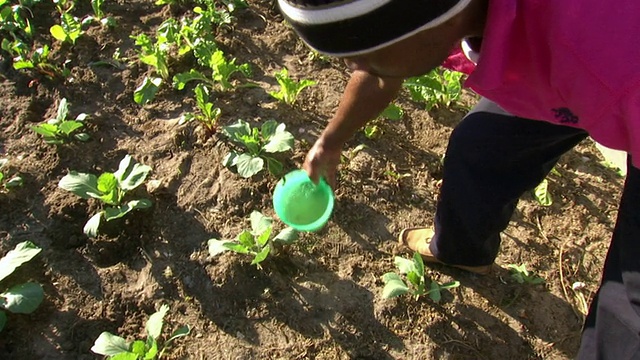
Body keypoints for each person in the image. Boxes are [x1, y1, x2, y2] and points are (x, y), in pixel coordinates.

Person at [276, 0, 640, 358]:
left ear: (436, 19)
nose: (352, 66)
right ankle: (461, 251)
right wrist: (330, 142)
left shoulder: (605, 62)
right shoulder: (450, 16)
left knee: (626, 311)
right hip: (560, 66)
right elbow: (380, 71)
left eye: (363, 52)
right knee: (481, 148)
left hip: (611, 77)